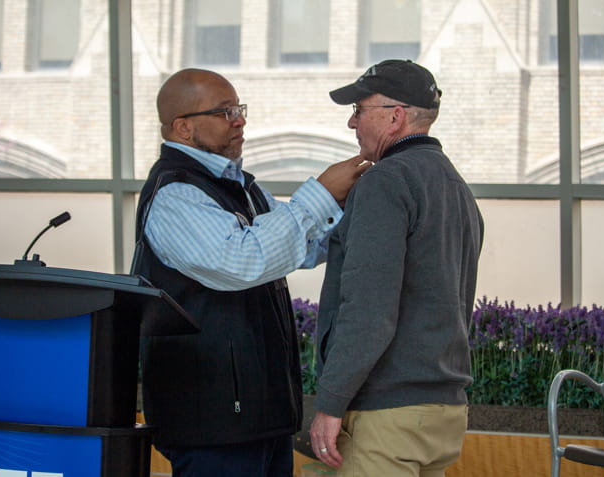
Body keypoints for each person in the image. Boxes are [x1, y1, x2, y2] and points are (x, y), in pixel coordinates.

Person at [133, 68, 370, 477]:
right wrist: (321, 194)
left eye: (239, 109)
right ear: (183, 128)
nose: (240, 120)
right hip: (212, 423)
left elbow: (304, 246)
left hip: (258, 416)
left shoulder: (240, 187)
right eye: (224, 112)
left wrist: (365, 205)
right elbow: (243, 262)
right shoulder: (176, 194)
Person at [308, 59, 484, 477]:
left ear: (395, 116)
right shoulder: (457, 188)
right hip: (443, 412)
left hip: (389, 415)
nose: (352, 123)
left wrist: (329, 404)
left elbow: (368, 310)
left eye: (359, 110)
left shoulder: (385, 182)